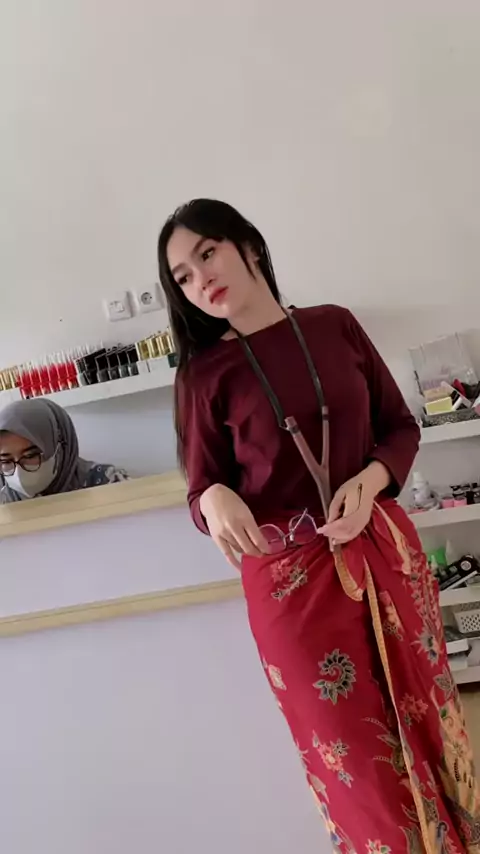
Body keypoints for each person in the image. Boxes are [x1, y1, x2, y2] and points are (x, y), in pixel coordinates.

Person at [158, 198, 479, 853]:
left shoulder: (335, 326)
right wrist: (212, 497)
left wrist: (372, 479)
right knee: (355, 757)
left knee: (430, 719)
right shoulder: (202, 375)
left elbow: (400, 426)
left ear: (249, 245)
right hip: (291, 590)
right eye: (182, 277)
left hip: (383, 552)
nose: (200, 279)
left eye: (207, 254)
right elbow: (201, 489)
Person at [0, 398, 128, 503]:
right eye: (6, 461)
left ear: (60, 447)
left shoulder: (109, 483)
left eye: (30, 455)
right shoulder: (4, 502)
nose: (19, 473)